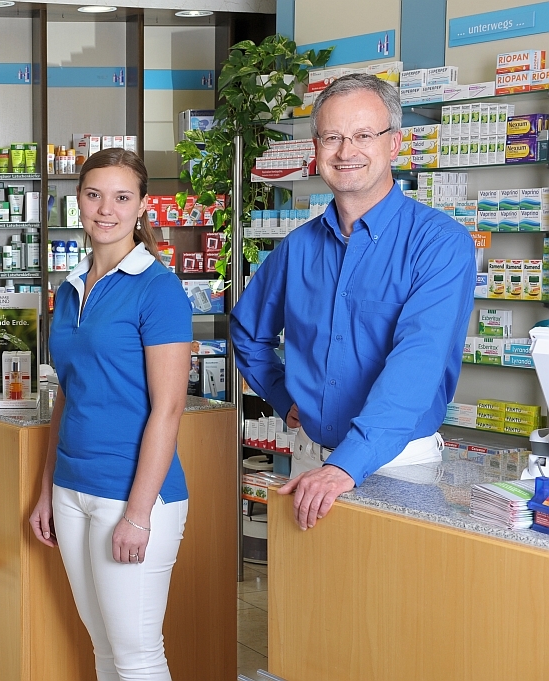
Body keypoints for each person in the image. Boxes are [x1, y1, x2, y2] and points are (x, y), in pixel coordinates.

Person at [231, 73, 475, 531]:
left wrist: (347, 463)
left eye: (364, 135)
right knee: (306, 581)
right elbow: (248, 332)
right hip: (310, 458)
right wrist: (282, 396)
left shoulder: (440, 243)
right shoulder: (298, 247)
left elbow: (417, 363)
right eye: (332, 137)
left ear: (394, 143)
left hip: (397, 465)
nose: (346, 152)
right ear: (316, 148)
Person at [28, 148, 191, 681]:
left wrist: (138, 515)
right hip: (72, 489)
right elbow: (68, 393)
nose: (106, 209)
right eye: (94, 195)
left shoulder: (157, 288)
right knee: (104, 648)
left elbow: (168, 408)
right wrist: (47, 490)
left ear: (142, 206)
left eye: (122, 198)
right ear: (77, 200)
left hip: (131, 493)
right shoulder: (71, 286)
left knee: (137, 656)